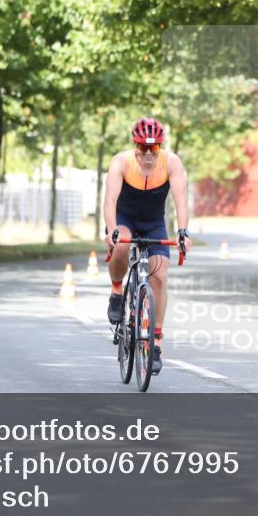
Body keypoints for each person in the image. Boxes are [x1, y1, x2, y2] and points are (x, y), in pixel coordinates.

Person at [103, 117, 192, 373]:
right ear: (136, 145)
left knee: (160, 277)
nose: (149, 153)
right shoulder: (121, 162)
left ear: (160, 146)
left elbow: (181, 201)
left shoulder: (171, 162)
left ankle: (155, 343)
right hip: (124, 218)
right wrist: (112, 230)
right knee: (121, 247)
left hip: (154, 223)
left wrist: (183, 232)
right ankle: (117, 291)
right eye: (143, 147)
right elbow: (110, 200)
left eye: (154, 147)